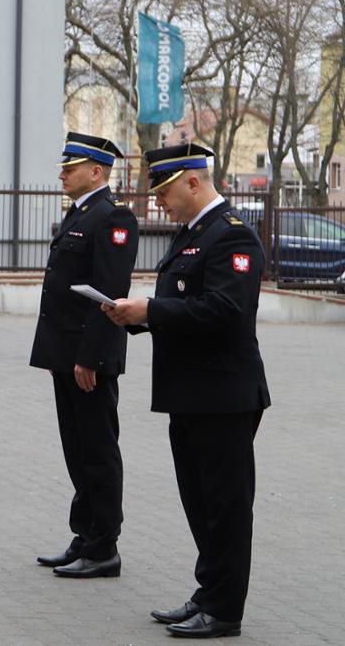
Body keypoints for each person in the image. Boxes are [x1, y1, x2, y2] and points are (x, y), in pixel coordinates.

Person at [103, 143, 270, 639]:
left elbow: (225, 311)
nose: (158, 201)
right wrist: (134, 316)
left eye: (165, 190)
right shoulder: (194, 235)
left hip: (224, 396)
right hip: (190, 394)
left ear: (194, 182)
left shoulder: (232, 237)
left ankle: (224, 610)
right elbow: (184, 303)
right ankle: (207, 593)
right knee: (200, 502)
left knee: (225, 506)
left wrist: (149, 312)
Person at [30, 132, 138, 579]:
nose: (62, 173)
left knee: (97, 449)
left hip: (88, 357)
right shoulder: (79, 215)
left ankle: (104, 545)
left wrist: (90, 358)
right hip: (65, 351)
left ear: (96, 172)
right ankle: (85, 534)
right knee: (76, 448)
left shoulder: (112, 219)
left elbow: (110, 295)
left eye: (70, 168)